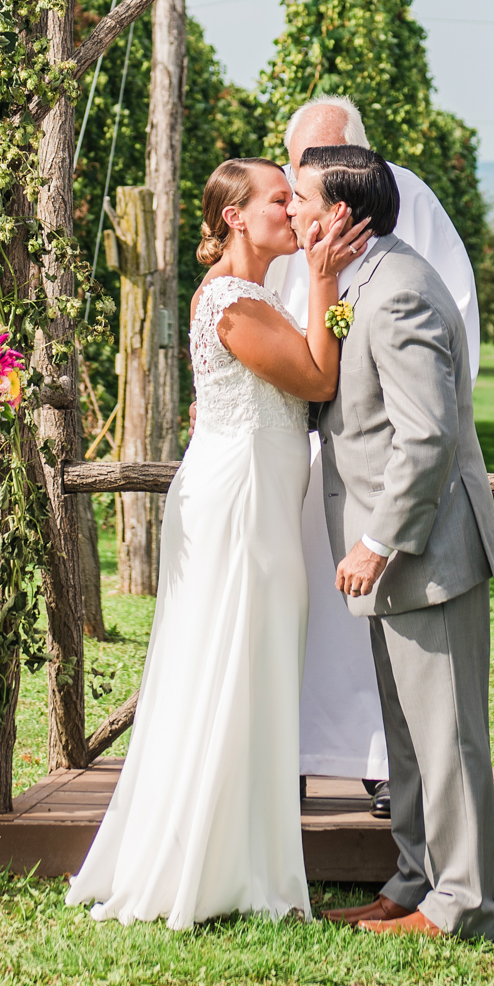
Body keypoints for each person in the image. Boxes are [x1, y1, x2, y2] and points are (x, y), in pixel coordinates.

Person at [67, 157, 369, 929]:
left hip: (260, 500)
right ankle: (201, 860)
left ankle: (238, 854)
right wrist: (327, 283)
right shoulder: (235, 301)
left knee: (252, 667)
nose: (293, 214)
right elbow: (315, 380)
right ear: (235, 217)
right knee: (227, 664)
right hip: (236, 505)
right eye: (279, 201)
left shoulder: (253, 296)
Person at [304, 145, 494, 942]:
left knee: (447, 737)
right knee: (409, 740)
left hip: (427, 553)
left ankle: (463, 907)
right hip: (395, 560)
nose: (289, 210)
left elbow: (425, 439)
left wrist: (377, 541)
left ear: (341, 215)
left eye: (299, 198)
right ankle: (418, 879)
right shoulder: (364, 283)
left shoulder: (400, 293)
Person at [264, 95, 479, 800]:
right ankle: (286, 753)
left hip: (378, 463)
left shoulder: (405, 222)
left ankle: (384, 769)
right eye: (297, 166)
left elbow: (439, 358)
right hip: (299, 459)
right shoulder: (287, 211)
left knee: (394, 653)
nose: (295, 191)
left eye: (312, 173)